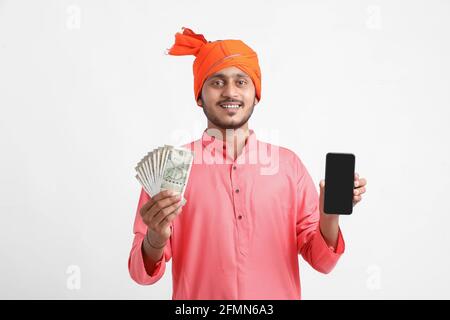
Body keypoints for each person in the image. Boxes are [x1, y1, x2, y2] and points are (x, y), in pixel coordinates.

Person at [128, 27, 367, 299]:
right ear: (199, 95)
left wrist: (329, 213)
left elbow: (323, 262)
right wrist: (155, 239)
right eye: (217, 82)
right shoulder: (171, 166)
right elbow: (140, 275)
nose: (230, 92)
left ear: (256, 94)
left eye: (241, 82)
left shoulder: (288, 166)